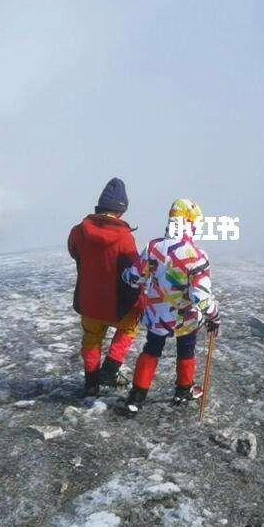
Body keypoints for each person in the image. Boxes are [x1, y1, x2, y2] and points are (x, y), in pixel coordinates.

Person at [121, 198, 220, 415]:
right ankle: (183, 390)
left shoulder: (153, 246)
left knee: (152, 349)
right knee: (186, 350)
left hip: (157, 316)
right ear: (191, 223)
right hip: (185, 318)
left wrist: (125, 275)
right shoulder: (196, 255)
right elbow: (200, 296)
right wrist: (213, 316)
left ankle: (137, 397)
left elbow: (135, 277)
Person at [67, 178, 141, 397]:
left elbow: (74, 252)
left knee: (91, 338)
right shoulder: (125, 237)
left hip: (89, 301)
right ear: (121, 209)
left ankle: (91, 383)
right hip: (116, 303)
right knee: (129, 328)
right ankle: (110, 369)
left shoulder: (79, 231)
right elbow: (133, 269)